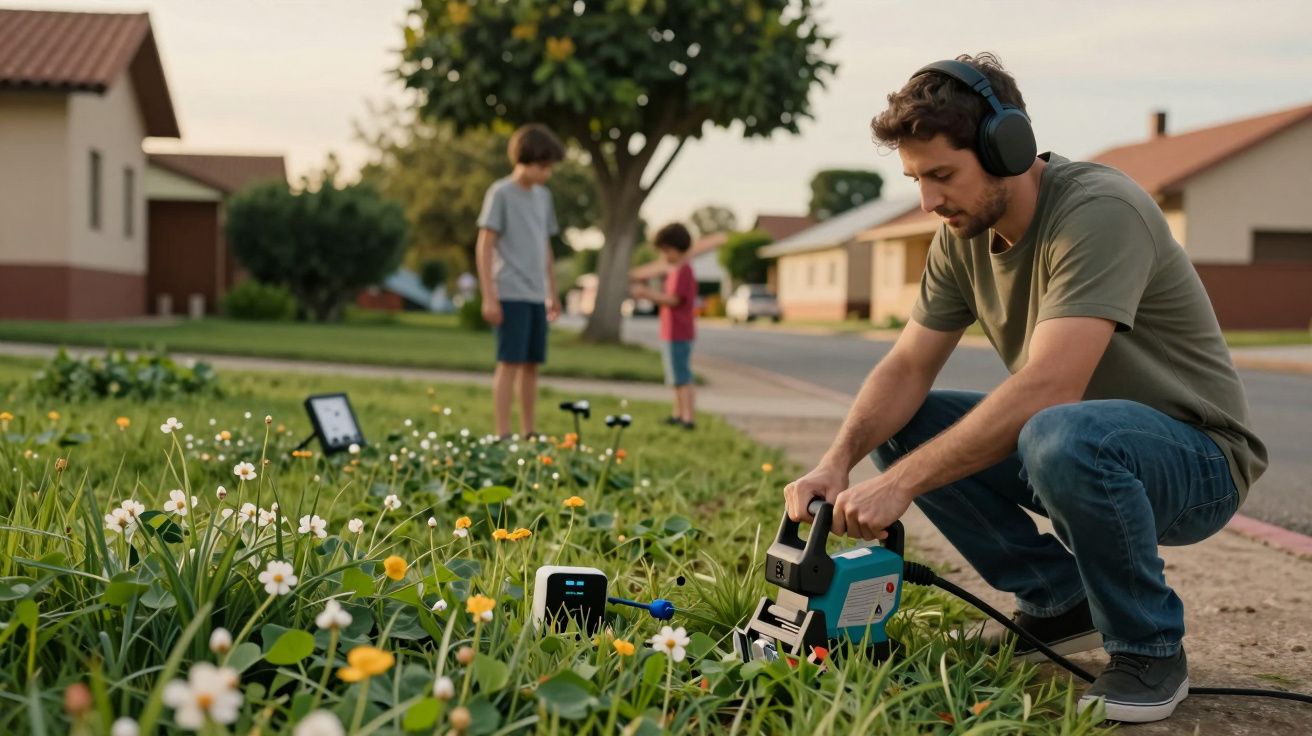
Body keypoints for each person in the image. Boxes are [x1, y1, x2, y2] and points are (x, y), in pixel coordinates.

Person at [782, 53, 1266, 723]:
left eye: (942, 175)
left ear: (1005, 149)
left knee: (1054, 428)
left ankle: (1149, 647)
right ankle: (1058, 602)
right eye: (917, 179)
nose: (928, 201)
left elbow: (1049, 386)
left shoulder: (1100, 210)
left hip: (1198, 459)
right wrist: (837, 462)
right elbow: (905, 368)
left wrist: (902, 486)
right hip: (1076, 445)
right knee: (907, 419)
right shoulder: (961, 235)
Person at [475, 123, 564, 439]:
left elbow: (546, 247)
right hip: (509, 292)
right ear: (524, 159)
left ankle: (529, 430)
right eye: (543, 166)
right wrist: (489, 295)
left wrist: (552, 291)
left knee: (532, 365)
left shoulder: (544, 197)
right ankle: (503, 432)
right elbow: (485, 245)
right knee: (509, 363)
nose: (547, 173)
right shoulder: (501, 193)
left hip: (535, 293)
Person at [631, 223, 698, 428]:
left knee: (682, 376)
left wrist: (648, 294)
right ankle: (678, 413)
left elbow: (674, 300)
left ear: (676, 248)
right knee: (674, 377)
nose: (664, 255)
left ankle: (688, 417)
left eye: (666, 251)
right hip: (670, 331)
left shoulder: (683, 271)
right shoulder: (674, 270)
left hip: (680, 331)